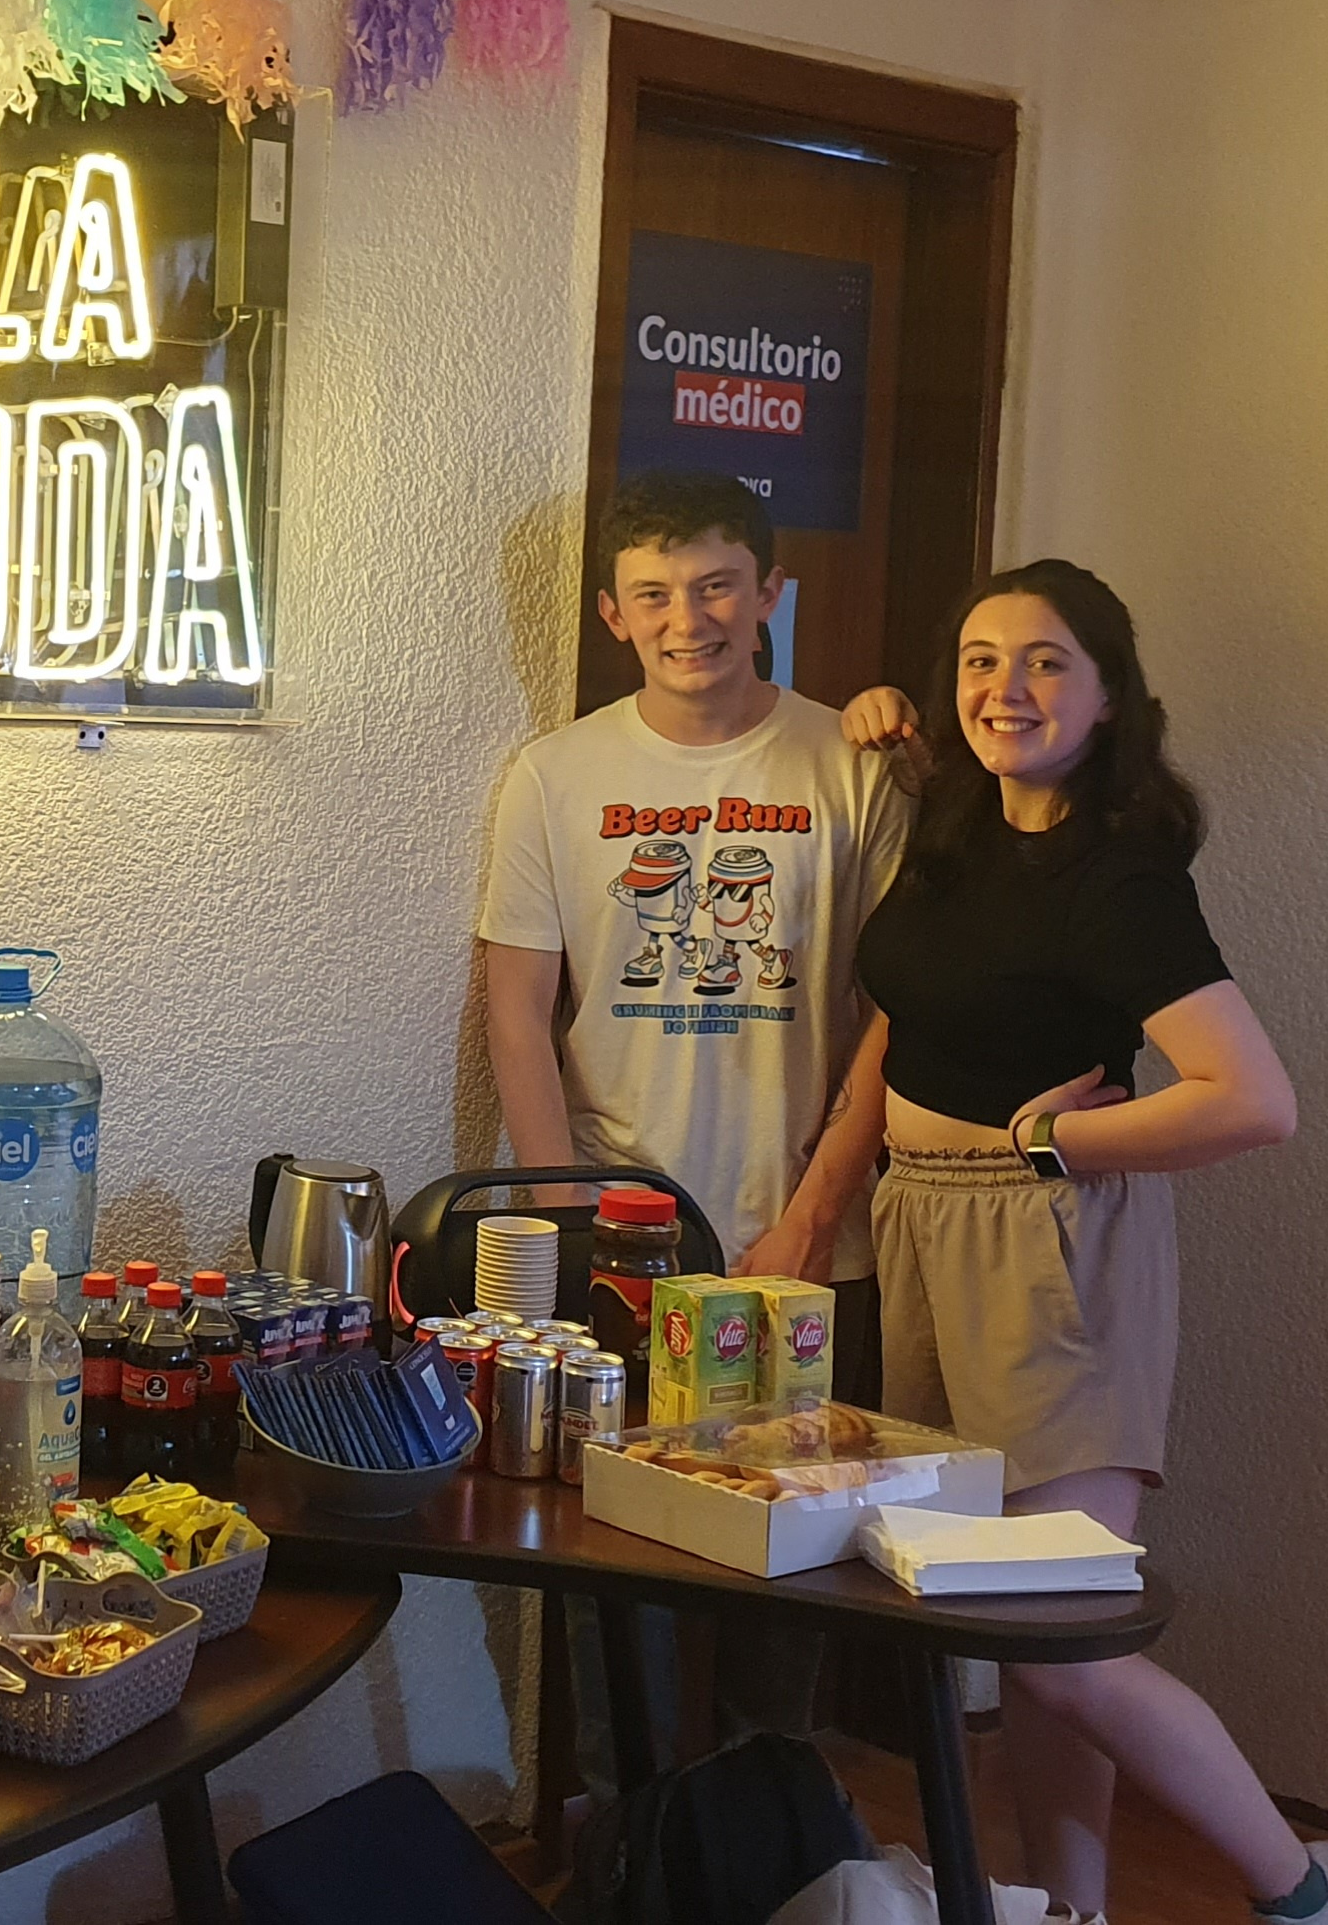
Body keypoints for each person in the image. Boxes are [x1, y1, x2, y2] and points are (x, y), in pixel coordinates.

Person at [845, 561, 1328, 1925]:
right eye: (979, 659)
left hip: (1050, 1250)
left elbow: (1254, 1100)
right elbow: (921, 1003)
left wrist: (1053, 1146)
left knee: (1060, 1637)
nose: (1005, 688)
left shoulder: (1118, 878)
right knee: (1014, 1631)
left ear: (1108, 696)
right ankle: (1071, 1908)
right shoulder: (961, 825)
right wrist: (880, 714)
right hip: (923, 1230)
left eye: (1046, 663)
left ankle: (1309, 1891)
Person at [479, 469, 909, 1778]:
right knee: (618, 1571)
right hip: (623, 1244)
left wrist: (816, 1215)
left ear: (770, 593)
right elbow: (517, 1014)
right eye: (657, 593)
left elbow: (897, 1012)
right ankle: (637, 1839)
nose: (690, 618)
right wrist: (572, 1220)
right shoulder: (554, 775)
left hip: (804, 1244)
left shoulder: (851, 763)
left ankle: (768, 1834)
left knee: (794, 1570)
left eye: (718, 585)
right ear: (613, 611)